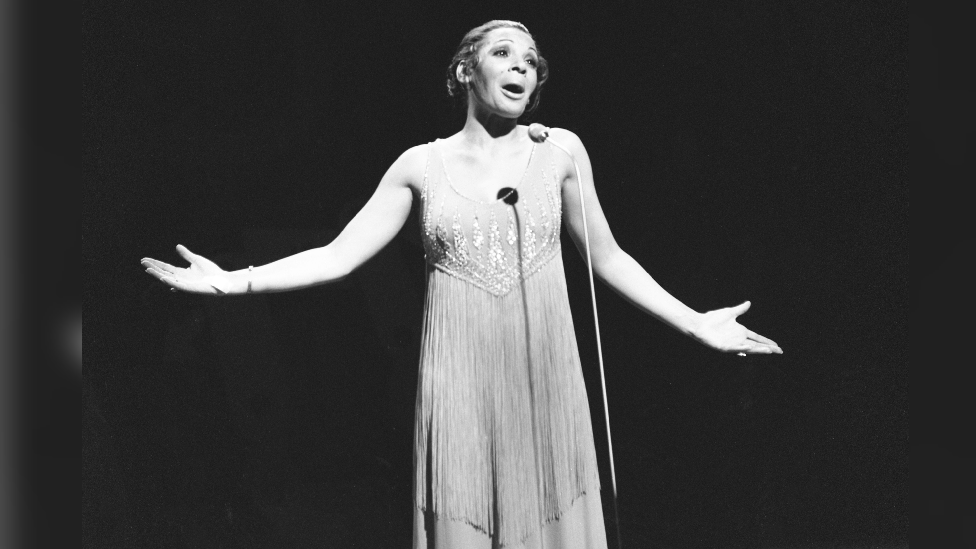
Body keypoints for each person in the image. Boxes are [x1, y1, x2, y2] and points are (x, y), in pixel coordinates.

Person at [141, 19, 782, 549]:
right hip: (459, 393)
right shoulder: (420, 165)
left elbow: (608, 260)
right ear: (464, 72)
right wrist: (235, 284)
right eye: (503, 53)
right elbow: (339, 256)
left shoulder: (559, 152)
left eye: (532, 61)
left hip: (545, 385)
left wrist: (696, 321)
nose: (521, 68)